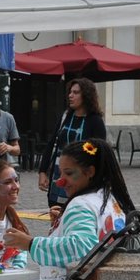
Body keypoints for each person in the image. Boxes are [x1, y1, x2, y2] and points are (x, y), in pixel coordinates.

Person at [3, 139, 132, 280]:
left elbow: (81, 249)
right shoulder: (109, 198)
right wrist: (61, 226)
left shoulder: (81, 204)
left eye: (69, 173)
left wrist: (29, 243)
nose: (61, 181)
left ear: (90, 172)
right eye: (60, 173)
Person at [38, 77, 107, 210]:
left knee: (75, 210)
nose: (70, 95)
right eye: (70, 92)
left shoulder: (95, 121)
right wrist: (42, 171)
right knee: (56, 212)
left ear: (86, 96)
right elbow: (52, 143)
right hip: (59, 172)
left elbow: (99, 153)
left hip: (80, 176)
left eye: (75, 93)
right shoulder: (66, 116)